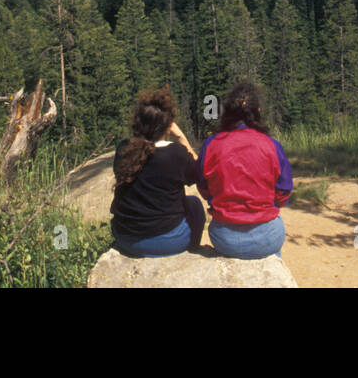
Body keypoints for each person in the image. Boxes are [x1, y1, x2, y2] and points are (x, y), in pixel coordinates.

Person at [197, 81, 293, 260]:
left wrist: (219, 200)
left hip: (225, 237)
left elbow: (203, 187)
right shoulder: (272, 145)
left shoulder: (211, 144)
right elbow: (284, 192)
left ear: (227, 113)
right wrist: (268, 204)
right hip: (267, 235)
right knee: (273, 250)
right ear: (257, 112)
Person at [110, 87, 205, 257]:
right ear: (168, 126)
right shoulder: (175, 153)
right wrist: (181, 138)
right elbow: (200, 171)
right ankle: (192, 251)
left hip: (125, 238)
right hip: (166, 242)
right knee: (195, 205)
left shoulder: (124, 149)